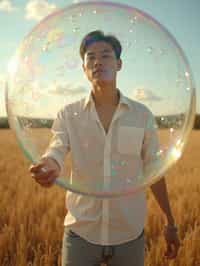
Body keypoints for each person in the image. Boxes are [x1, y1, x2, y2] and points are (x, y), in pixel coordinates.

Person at [29, 30, 180, 266]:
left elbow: (154, 171)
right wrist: (50, 165)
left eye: (106, 55)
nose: (98, 61)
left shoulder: (142, 115)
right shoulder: (68, 114)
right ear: (84, 68)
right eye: (90, 57)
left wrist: (170, 222)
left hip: (129, 235)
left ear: (119, 64)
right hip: (80, 233)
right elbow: (56, 148)